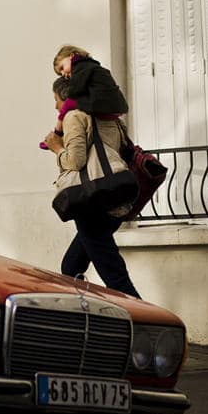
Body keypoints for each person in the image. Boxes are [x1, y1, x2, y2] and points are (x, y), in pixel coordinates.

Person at [44, 76, 141, 299]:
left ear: (66, 97)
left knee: (114, 276)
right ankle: (86, 316)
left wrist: (56, 148)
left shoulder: (74, 116)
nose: (56, 106)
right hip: (112, 199)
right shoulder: (109, 119)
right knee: (70, 267)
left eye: (57, 99)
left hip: (91, 202)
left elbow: (75, 161)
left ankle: (146, 324)